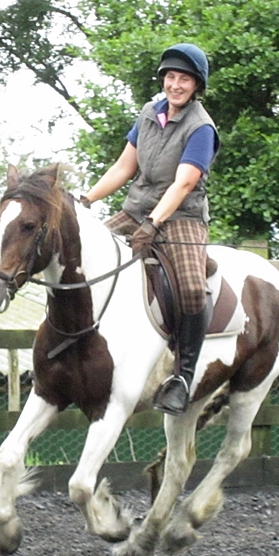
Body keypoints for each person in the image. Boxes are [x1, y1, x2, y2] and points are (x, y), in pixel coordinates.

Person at [80, 43, 220, 416]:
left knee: (192, 289)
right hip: (135, 209)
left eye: (184, 79)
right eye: (170, 77)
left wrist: (154, 222)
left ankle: (182, 378)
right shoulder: (148, 114)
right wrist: (87, 198)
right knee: (86, 259)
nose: (175, 85)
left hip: (182, 218)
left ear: (196, 85)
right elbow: (124, 167)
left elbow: (184, 184)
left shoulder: (201, 128)